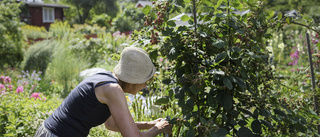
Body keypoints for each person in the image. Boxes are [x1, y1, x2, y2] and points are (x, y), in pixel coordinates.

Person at [35, 46, 172, 137]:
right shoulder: (113, 90)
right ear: (133, 80)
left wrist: (150, 124)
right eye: (145, 80)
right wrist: (158, 129)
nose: (145, 85)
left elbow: (112, 125)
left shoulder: (107, 80)